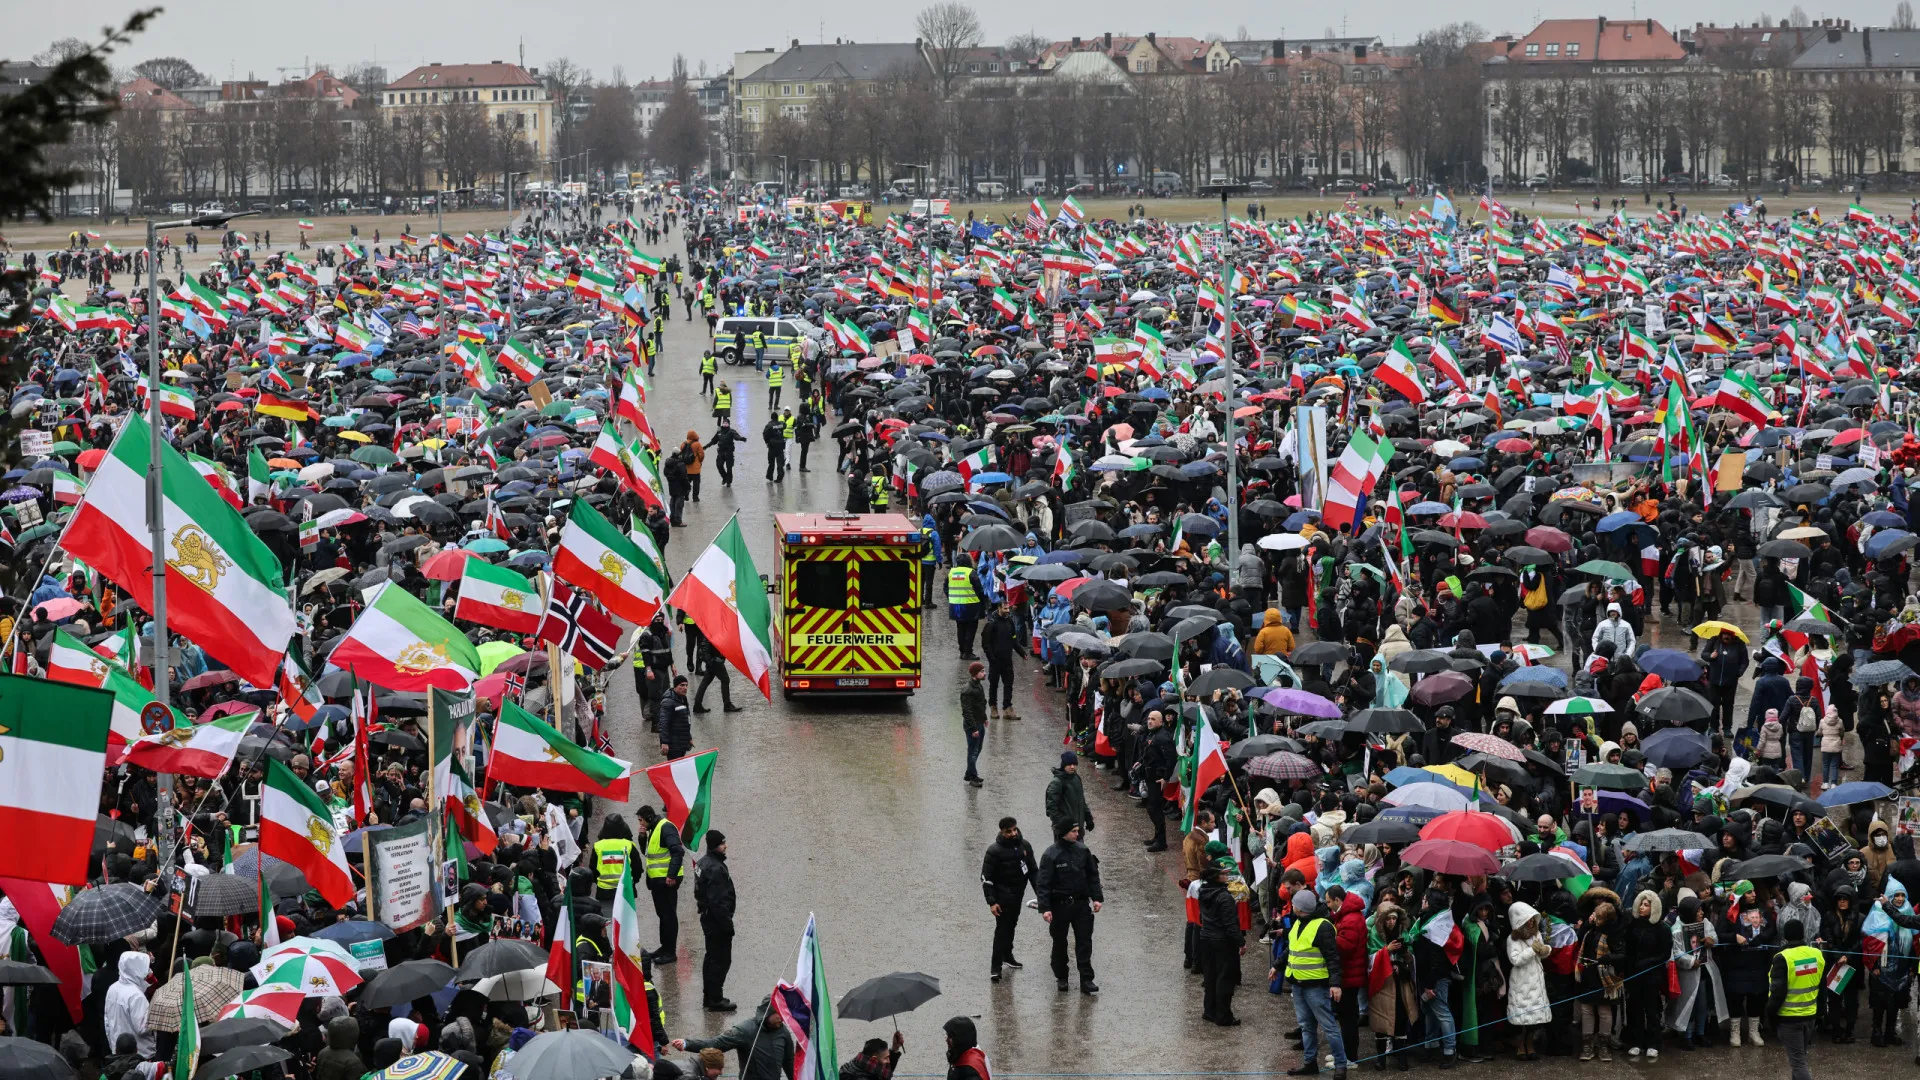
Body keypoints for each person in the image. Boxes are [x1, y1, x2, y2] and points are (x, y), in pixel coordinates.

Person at [1284, 889, 1346, 1077]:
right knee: (1306, 1026)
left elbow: (1333, 958)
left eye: (1294, 902)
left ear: (1300, 907)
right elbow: (1292, 949)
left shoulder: (1323, 926)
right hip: (1299, 983)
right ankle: (1310, 1063)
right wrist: (1278, 966)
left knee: (1329, 1027)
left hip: (1316, 986)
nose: (1292, 905)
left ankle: (1341, 1065)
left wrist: (1335, 984)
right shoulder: (1299, 922)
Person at [1036, 820, 1102, 994]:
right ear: (1064, 832)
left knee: (1084, 943)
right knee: (1059, 942)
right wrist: (1045, 908)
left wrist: (1097, 898)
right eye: (1073, 831)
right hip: (1060, 906)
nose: (1077, 834)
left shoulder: (1083, 851)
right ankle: (1062, 977)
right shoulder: (1051, 855)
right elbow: (1043, 883)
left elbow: (1092, 875)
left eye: (1078, 830)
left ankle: (1086, 979)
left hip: (1081, 905)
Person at [673, 999, 794, 1080]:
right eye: (779, 1013)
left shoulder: (783, 1032)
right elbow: (715, 1044)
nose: (783, 1017)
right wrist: (687, 1043)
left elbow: (789, 1062)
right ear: (768, 1012)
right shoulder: (745, 1031)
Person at [981, 817, 1036, 981]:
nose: (1013, 833)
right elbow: (986, 878)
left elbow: (1033, 871)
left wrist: (1042, 894)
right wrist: (992, 901)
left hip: (1018, 895)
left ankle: (1007, 955)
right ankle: (995, 967)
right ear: (1002, 832)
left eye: (1015, 830)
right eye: (1009, 831)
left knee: (1012, 925)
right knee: (1002, 930)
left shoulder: (1025, 846)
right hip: (1002, 897)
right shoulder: (994, 851)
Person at [1768, 919, 1822, 1080]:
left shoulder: (1782, 957)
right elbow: (1822, 985)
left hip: (1789, 1017)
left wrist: (1770, 1015)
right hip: (1810, 1014)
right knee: (1800, 1058)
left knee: (1798, 1063)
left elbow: (1778, 992)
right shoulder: (1817, 954)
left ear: (1785, 936)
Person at [1197, 862, 1247, 1027]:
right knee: (1225, 978)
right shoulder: (1225, 897)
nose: (1227, 876)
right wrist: (1241, 942)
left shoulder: (1202, 891)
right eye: (1223, 874)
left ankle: (1209, 1010)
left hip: (1206, 938)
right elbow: (1230, 925)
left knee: (1210, 976)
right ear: (1215, 877)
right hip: (1223, 942)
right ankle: (1223, 1016)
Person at [636, 804, 686, 962]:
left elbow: (678, 851)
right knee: (663, 916)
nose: (641, 824)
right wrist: (642, 837)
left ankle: (670, 953)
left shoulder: (665, 828)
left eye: (641, 821)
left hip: (667, 881)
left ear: (649, 818)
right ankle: (665, 947)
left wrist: (671, 875)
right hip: (658, 881)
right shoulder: (653, 829)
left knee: (669, 916)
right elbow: (648, 853)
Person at [694, 829, 736, 1011]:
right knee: (720, 960)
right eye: (722, 843)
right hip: (717, 921)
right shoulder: (716, 869)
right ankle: (715, 998)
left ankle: (709, 996)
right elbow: (717, 901)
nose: (725, 846)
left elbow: (700, 893)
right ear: (714, 846)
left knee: (711, 958)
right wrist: (727, 925)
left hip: (708, 918)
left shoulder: (703, 863)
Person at [1139, 710, 1174, 851]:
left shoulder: (1163, 737)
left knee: (1155, 809)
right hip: (1150, 775)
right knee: (1151, 807)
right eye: (1148, 718)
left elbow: (1171, 759)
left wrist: (1166, 778)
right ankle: (1157, 836)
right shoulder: (1152, 734)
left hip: (1158, 778)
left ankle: (1161, 841)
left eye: (1153, 719)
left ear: (1160, 721)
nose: (1149, 721)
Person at [980, 601, 1019, 720]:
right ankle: (993, 707)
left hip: (1007, 660)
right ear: (999, 608)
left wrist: (1021, 653)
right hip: (995, 661)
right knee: (994, 684)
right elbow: (986, 644)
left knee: (1008, 684)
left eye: (1008, 608)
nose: (1008, 611)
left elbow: (1013, 639)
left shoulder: (1010, 622)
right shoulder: (991, 624)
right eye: (1005, 608)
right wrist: (992, 659)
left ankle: (1007, 708)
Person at [592, 816, 640, 908]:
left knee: (607, 920)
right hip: (626, 890)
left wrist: (598, 881)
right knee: (625, 921)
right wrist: (633, 881)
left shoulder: (598, 846)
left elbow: (593, 868)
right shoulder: (629, 845)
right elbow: (637, 868)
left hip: (604, 891)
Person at [1044, 751, 1092, 839]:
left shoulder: (1076, 778)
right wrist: (1061, 825)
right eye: (1069, 764)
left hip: (1078, 829)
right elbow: (1051, 807)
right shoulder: (1057, 782)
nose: (1072, 767)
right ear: (1064, 765)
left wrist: (1088, 817)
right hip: (1065, 832)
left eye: (1074, 764)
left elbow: (1081, 800)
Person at [693, 635, 742, 714]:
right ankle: (727, 705)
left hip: (713, 659)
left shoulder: (712, 629)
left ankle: (697, 704)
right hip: (714, 661)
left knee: (705, 681)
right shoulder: (711, 631)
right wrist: (711, 662)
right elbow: (706, 647)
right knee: (725, 680)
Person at [948, 554, 984, 659]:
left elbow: (946, 587)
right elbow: (979, 589)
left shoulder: (951, 572)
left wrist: (951, 597)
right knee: (970, 630)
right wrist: (982, 602)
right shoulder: (971, 573)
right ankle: (968, 652)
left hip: (955, 605)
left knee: (960, 628)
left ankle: (962, 651)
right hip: (970, 605)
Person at [961, 661, 987, 786]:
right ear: (975, 673)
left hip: (980, 723)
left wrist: (985, 718)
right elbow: (967, 711)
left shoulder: (978, 686)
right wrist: (973, 728)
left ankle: (969, 773)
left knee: (978, 749)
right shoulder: (968, 690)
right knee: (973, 751)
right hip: (973, 726)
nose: (984, 673)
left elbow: (981, 704)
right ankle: (972, 777)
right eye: (982, 671)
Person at [660, 674, 694, 758]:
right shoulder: (668, 702)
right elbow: (663, 724)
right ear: (675, 687)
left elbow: (685, 721)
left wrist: (689, 738)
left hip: (681, 743)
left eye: (686, 685)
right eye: (682, 685)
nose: (685, 688)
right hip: (673, 745)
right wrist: (664, 743)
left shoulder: (683, 698)